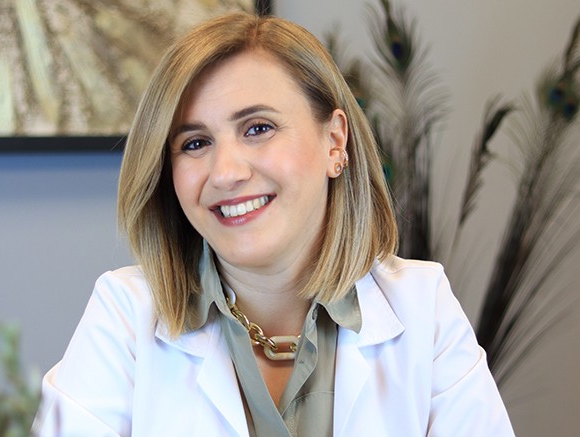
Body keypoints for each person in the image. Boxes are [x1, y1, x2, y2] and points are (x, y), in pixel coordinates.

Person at [33, 12, 514, 437]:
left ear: (335, 142)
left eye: (258, 128)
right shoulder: (124, 316)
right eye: (195, 143)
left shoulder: (424, 307)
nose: (225, 173)